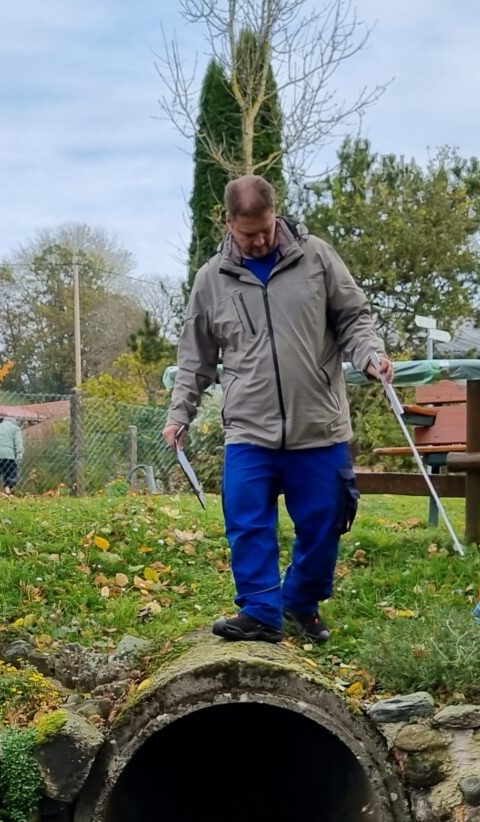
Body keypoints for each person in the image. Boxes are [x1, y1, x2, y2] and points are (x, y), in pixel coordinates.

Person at [164, 174, 392, 644]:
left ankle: (301, 603)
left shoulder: (317, 257)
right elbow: (195, 358)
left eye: (266, 229)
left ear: (275, 214)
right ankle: (261, 612)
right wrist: (179, 414)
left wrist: (370, 355)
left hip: (320, 424)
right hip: (250, 429)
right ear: (228, 223)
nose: (260, 241)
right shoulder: (211, 281)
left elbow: (354, 318)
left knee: (326, 523)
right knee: (247, 523)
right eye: (249, 234)